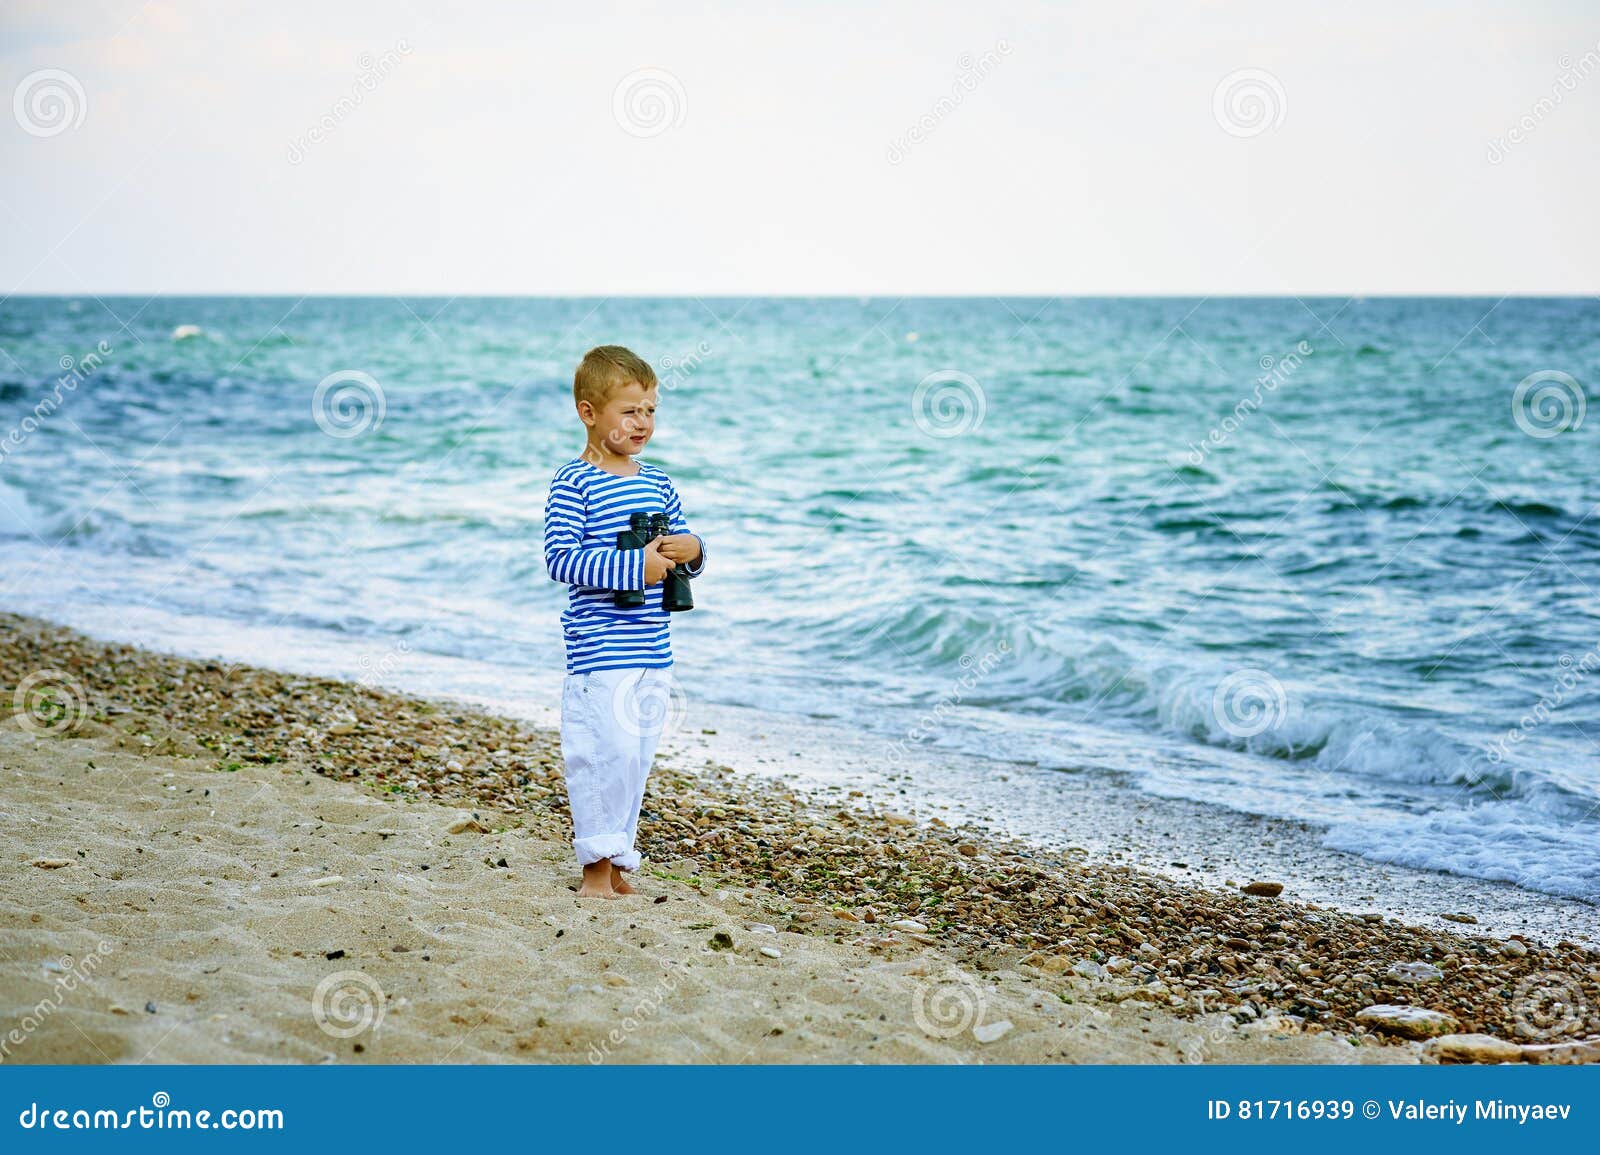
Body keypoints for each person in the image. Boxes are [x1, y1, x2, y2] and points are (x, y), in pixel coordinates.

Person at [542, 345, 706, 898]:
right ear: (590, 413)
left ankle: (618, 864)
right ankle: (594, 868)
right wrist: (637, 566)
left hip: (652, 648)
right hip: (599, 648)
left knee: (633, 757)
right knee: (598, 753)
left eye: (651, 410)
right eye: (630, 411)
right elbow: (560, 559)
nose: (643, 423)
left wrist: (694, 549)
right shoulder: (575, 481)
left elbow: (679, 552)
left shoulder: (657, 481)